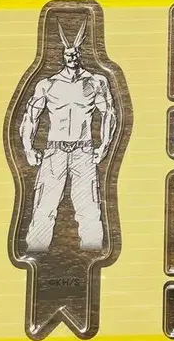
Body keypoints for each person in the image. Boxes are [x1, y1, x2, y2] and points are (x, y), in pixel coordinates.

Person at [20, 19, 117, 252]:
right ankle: (36, 253)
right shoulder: (48, 84)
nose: (72, 56)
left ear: (81, 53)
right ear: (63, 55)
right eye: (67, 53)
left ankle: (92, 253)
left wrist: (104, 145)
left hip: (83, 151)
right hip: (55, 152)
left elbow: (109, 114)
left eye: (75, 53)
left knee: (89, 208)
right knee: (44, 206)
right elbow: (30, 116)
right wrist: (28, 148)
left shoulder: (96, 82)